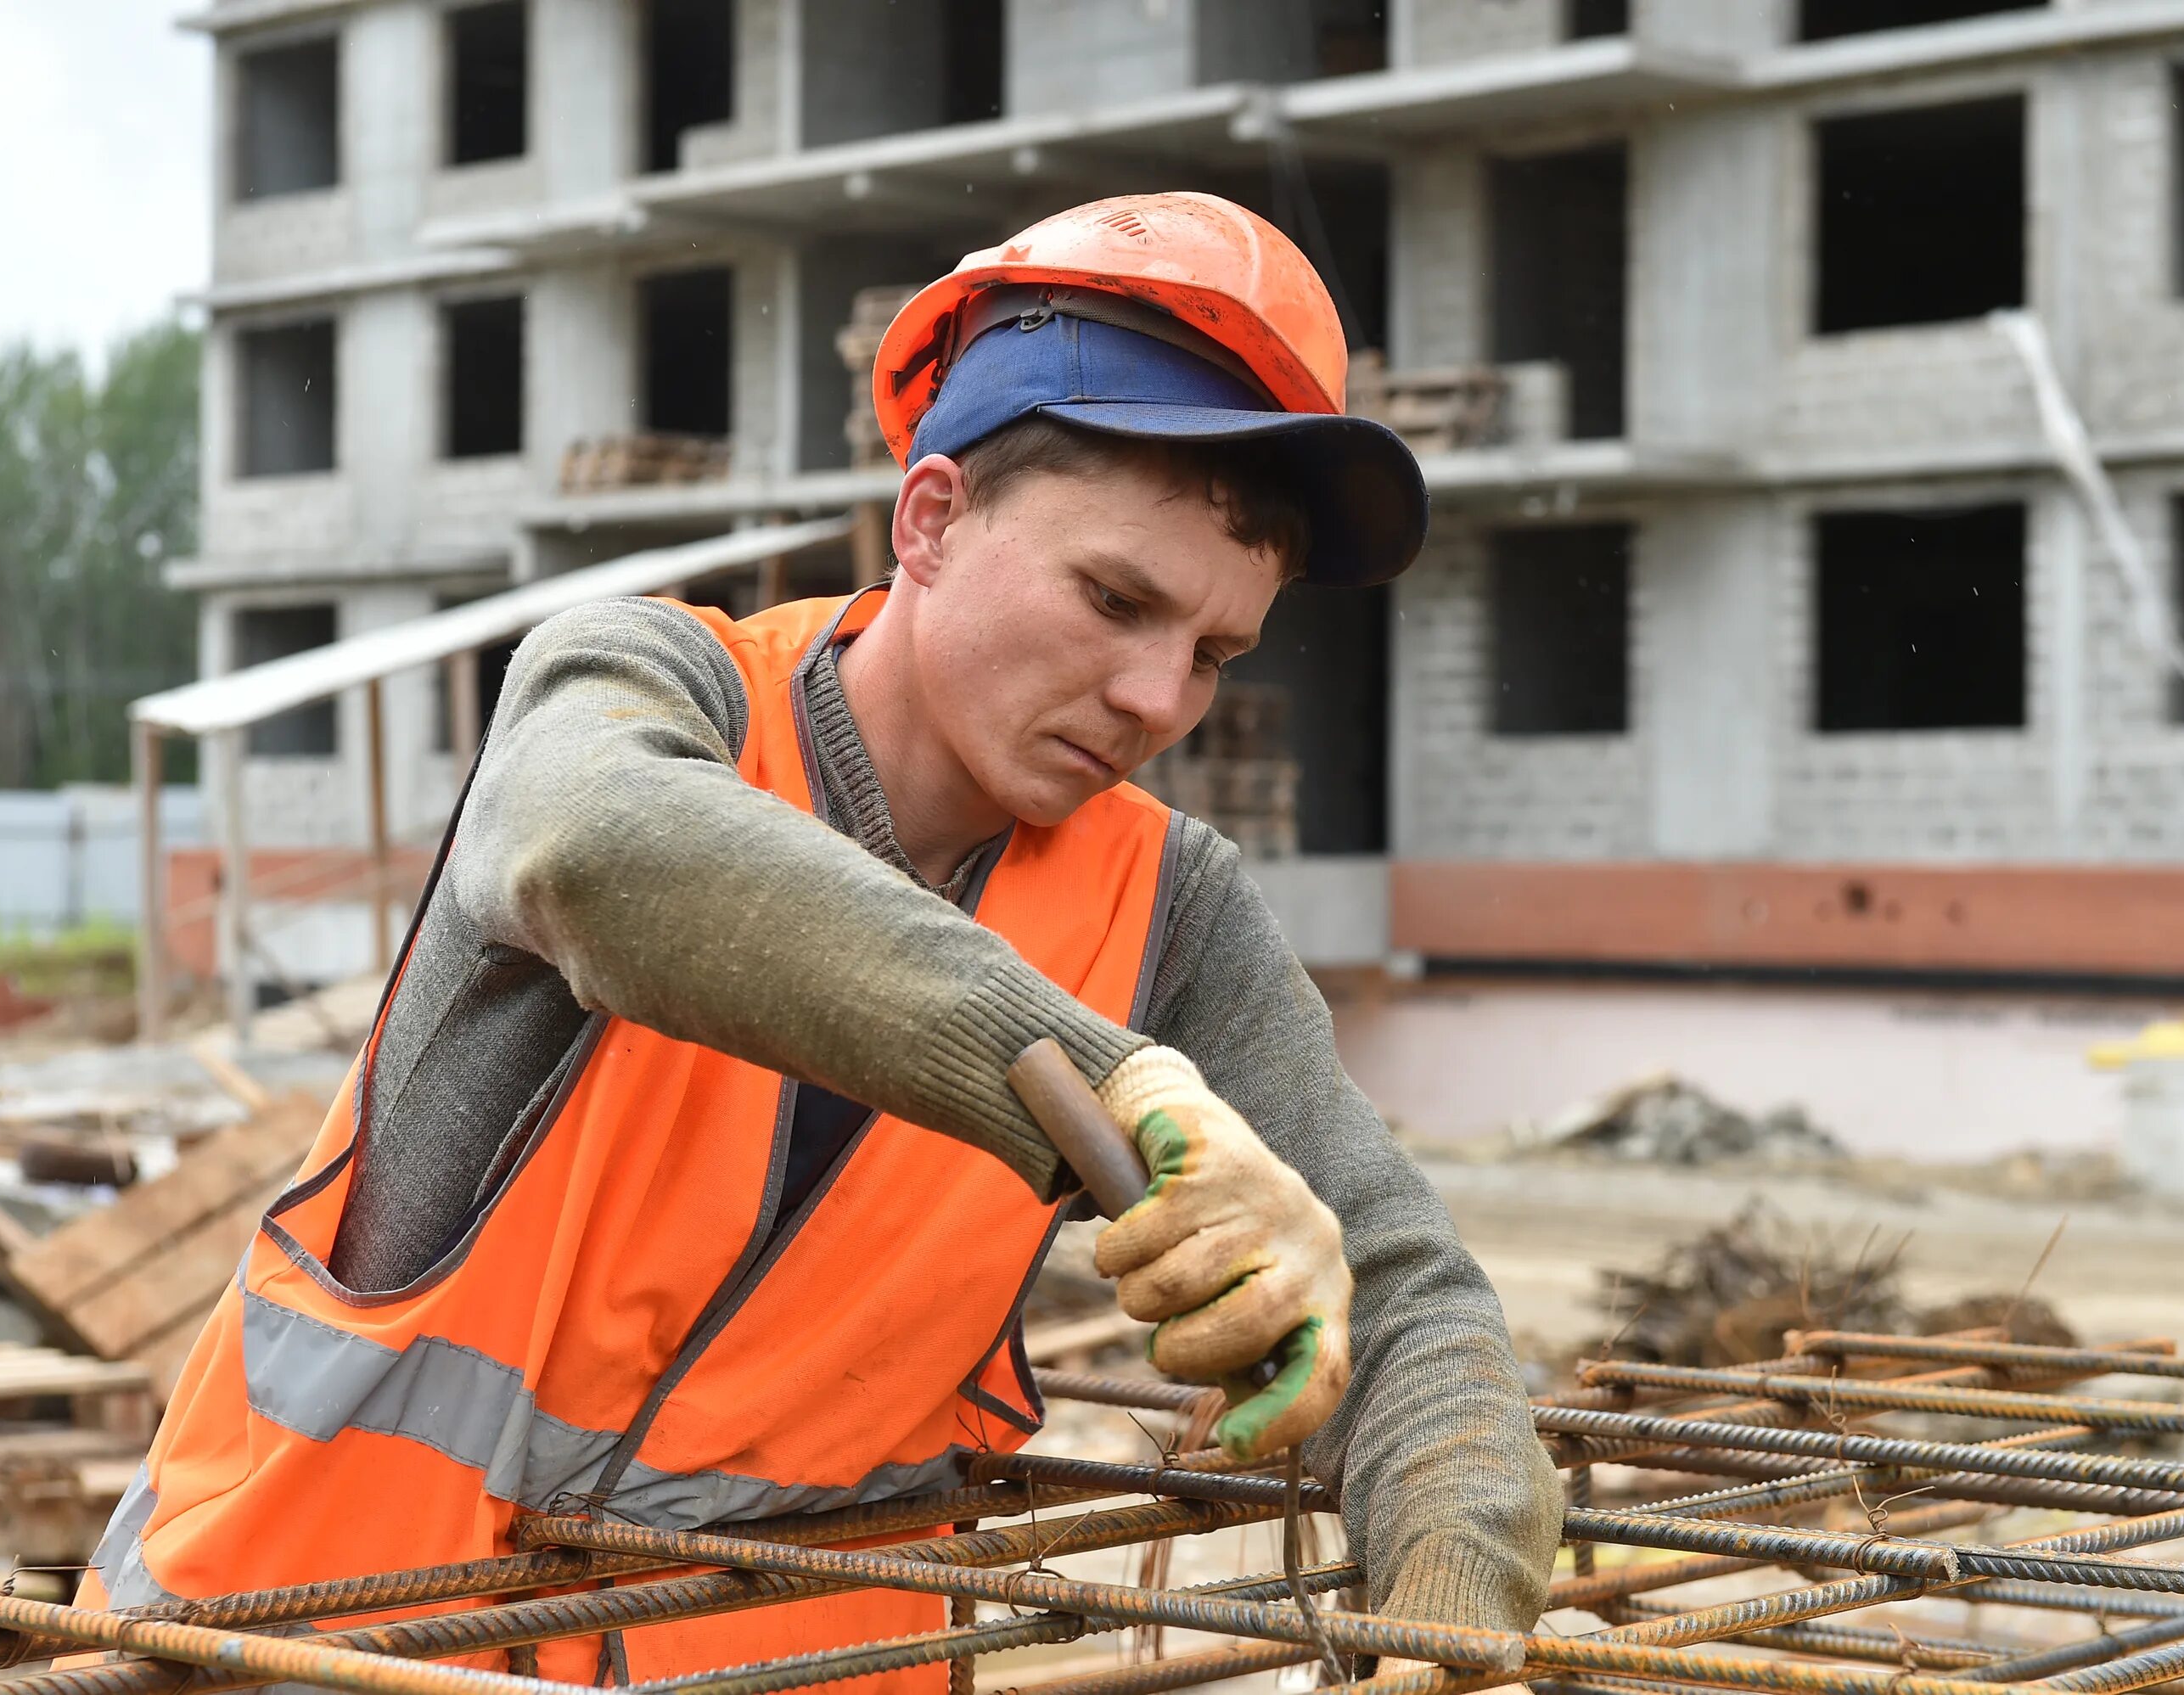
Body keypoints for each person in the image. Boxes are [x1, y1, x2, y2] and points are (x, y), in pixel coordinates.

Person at [81, 192, 1559, 1688]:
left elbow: (1408, 1294)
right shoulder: (647, 694)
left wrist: (1450, 1591)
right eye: (1115, 600)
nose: (1155, 701)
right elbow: (593, 848)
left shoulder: (1170, 910)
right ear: (929, 520)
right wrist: (1104, 1087)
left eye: (1213, 653)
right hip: (302, 1652)